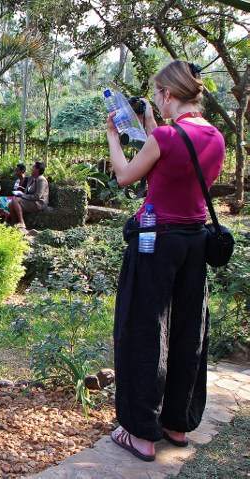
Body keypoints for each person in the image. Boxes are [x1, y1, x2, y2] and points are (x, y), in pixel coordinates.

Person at [106, 60, 225, 462]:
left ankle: (140, 433)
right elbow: (176, 165)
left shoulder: (165, 137)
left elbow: (125, 175)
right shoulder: (215, 136)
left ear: (169, 94)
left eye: (158, 94)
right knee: (188, 331)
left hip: (155, 243)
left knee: (143, 329)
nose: (156, 100)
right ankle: (177, 423)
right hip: (194, 243)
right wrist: (152, 123)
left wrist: (114, 137)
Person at [9, 161, 49, 228]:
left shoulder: (41, 180)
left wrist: (23, 196)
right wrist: (21, 194)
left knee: (15, 200)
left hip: (39, 203)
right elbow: (26, 191)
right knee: (11, 204)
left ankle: (22, 222)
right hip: (31, 200)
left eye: (33, 167)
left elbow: (37, 196)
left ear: (37, 169)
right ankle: (14, 224)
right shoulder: (31, 178)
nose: (31, 168)